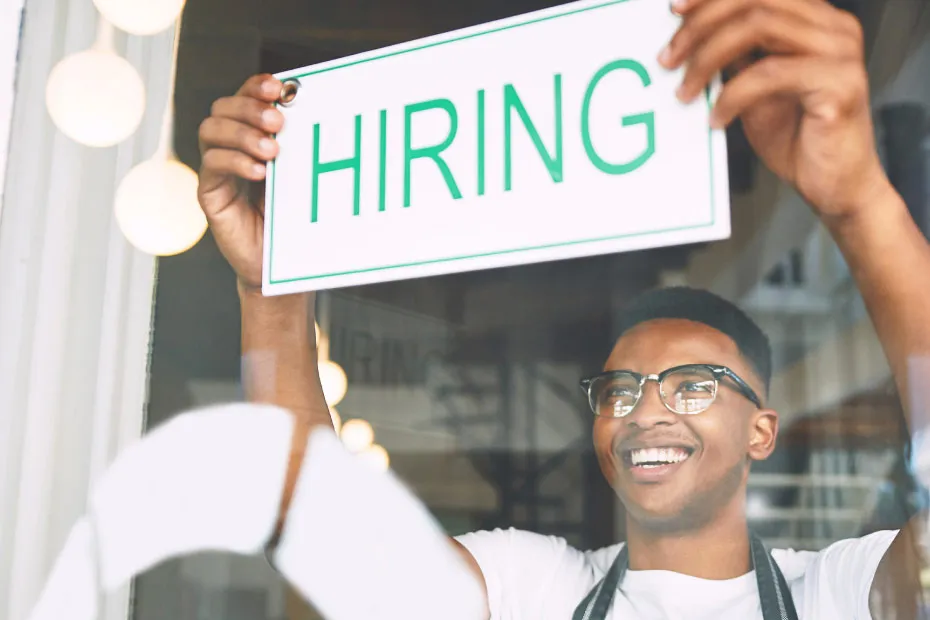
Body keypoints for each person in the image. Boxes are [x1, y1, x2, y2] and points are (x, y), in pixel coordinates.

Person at [196, 0, 930, 617]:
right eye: (620, 391)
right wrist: (274, 295)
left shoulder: (834, 593)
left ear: (761, 431)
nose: (646, 412)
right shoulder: (535, 587)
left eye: (695, 386)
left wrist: (859, 205)